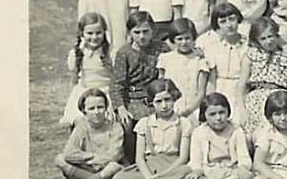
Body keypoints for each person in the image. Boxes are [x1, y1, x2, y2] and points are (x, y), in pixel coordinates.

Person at [109, 79, 192, 179]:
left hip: (173, 167)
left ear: (174, 99)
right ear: (151, 103)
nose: (164, 106)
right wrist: (148, 176)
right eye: (158, 101)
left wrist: (164, 174)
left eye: (168, 100)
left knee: (186, 175)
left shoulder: (183, 123)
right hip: (150, 166)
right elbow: (139, 158)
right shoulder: (144, 123)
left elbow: (183, 158)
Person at [43, 89, 124, 179]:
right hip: (90, 167)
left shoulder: (115, 127)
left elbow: (113, 156)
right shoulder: (82, 127)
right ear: (84, 111)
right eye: (91, 108)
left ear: (106, 108)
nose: (96, 112)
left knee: (113, 166)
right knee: (60, 159)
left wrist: (90, 159)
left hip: (109, 170)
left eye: (100, 107)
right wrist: (92, 159)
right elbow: (69, 153)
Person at [182, 93, 256, 179]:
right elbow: (195, 160)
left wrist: (242, 168)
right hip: (208, 174)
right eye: (212, 114)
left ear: (228, 112)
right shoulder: (198, 132)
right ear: (204, 115)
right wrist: (197, 171)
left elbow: (243, 156)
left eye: (222, 112)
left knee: (249, 178)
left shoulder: (236, 130)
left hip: (231, 173)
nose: (218, 118)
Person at [111, 11, 162, 163]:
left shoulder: (161, 48)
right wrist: (120, 107)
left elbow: (181, 50)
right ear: (130, 33)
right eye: (137, 32)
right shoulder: (124, 53)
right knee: (128, 124)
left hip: (154, 99)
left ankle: (157, 161)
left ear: (153, 30)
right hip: (132, 100)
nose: (141, 36)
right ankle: (133, 162)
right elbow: (116, 84)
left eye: (146, 31)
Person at [238, 17, 287, 137]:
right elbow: (241, 87)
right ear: (257, 40)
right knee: (254, 135)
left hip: (279, 100)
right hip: (257, 99)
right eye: (263, 38)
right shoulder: (251, 55)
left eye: (271, 36)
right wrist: (242, 110)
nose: (268, 41)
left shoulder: (286, 55)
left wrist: (286, 46)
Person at [198, 3, 248, 126]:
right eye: (223, 21)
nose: (229, 25)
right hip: (220, 89)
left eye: (232, 19)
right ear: (217, 25)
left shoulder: (248, 46)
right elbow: (212, 80)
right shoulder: (212, 48)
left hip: (243, 90)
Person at [60, 13, 113, 128]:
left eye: (98, 33)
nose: (94, 37)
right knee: (80, 123)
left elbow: (116, 79)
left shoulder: (111, 53)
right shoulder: (77, 53)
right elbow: (73, 80)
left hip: (106, 93)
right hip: (84, 93)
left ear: (104, 32)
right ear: (82, 33)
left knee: (107, 123)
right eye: (89, 33)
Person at [156, 19, 210, 120]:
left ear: (193, 38)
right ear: (173, 39)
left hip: (193, 110)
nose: (184, 42)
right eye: (179, 39)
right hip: (170, 108)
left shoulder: (200, 60)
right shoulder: (165, 59)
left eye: (187, 38)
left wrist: (188, 111)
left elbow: (201, 92)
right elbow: (161, 88)